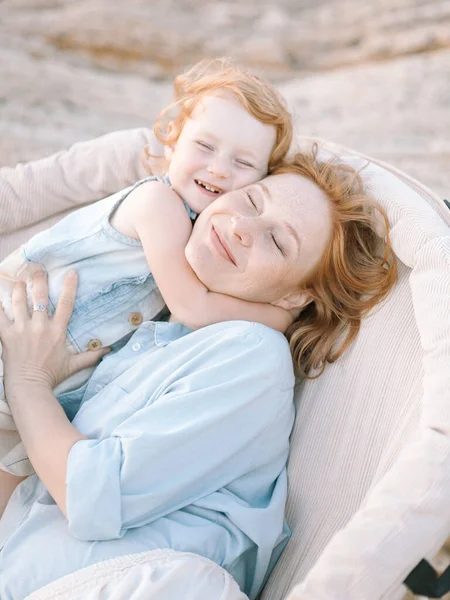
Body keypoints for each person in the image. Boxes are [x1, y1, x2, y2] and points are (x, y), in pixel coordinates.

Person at [0, 150, 396, 600]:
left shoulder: (251, 355)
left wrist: (27, 380)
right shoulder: (156, 324)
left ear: (295, 297)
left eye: (278, 243)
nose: (243, 228)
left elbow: (90, 494)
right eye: (250, 201)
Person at [0, 57, 294, 481]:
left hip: (48, 379)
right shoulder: (159, 206)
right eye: (204, 146)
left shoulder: (207, 233)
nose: (218, 168)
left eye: (244, 164)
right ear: (171, 142)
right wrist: (280, 315)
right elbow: (192, 307)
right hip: (14, 326)